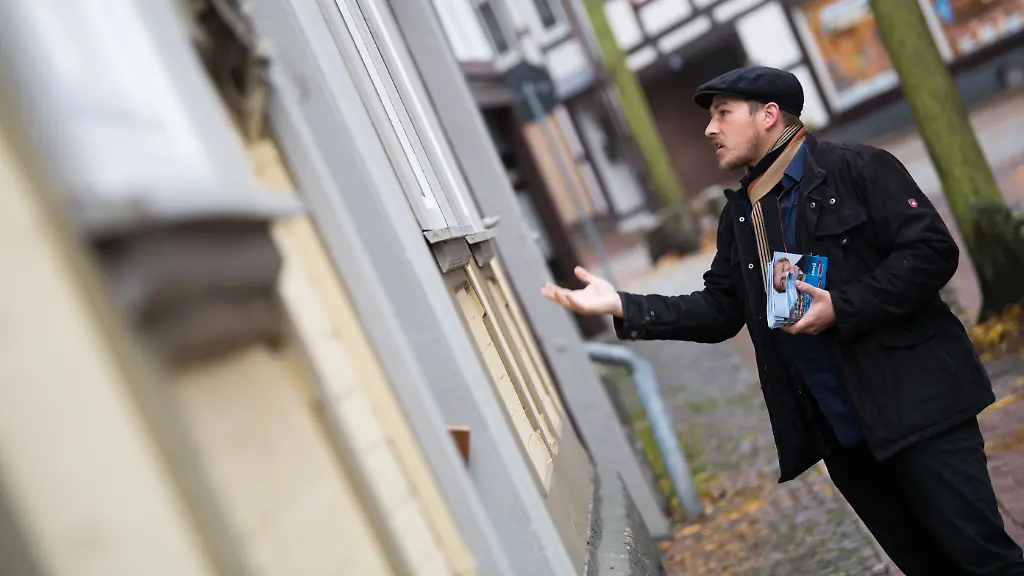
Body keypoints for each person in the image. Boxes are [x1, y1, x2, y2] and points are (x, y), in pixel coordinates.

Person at [541, 66, 1024, 575]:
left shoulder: (857, 168)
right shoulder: (742, 216)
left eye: (723, 114)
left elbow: (930, 251)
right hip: (843, 434)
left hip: (918, 409)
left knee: (984, 563)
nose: (710, 129)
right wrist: (622, 304)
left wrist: (843, 305)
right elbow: (720, 309)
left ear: (769, 115)